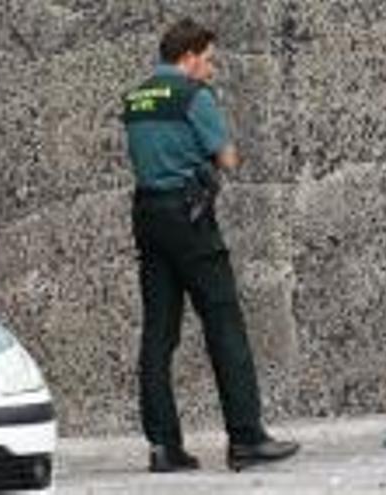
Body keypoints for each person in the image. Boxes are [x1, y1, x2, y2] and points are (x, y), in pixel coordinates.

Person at [122, 18, 300, 472]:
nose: (211, 69)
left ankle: (164, 447)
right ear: (188, 56)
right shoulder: (193, 96)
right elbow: (228, 158)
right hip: (189, 217)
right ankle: (246, 439)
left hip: (148, 215)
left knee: (159, 332)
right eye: (208, 59)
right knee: (224, 323)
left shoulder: (136, 99)